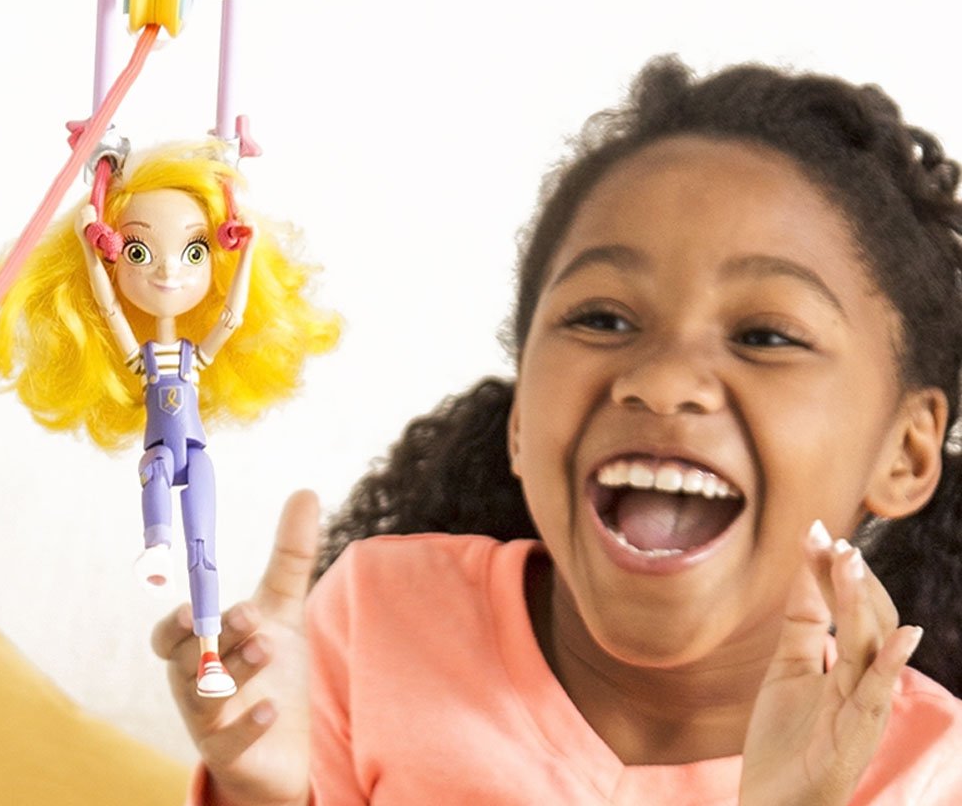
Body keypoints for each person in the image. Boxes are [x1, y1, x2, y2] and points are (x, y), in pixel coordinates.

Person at [155, 59, 962, 804]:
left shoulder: (928, 774)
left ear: (905, 452)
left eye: (766, 336)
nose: (661, 380)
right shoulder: (381, 623)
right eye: (603, 319)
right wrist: (260, 794)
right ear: (520, 419)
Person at [0, 140, 339, 698]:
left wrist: (247, 251)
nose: (170, 269)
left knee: (205, 550)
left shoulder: (195, 357)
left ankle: (210, 656)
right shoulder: (143, 358)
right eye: (139, 251)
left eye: (195, 252)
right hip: (162, 451)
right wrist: (87, 249)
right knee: (153, 472)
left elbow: (232, 316)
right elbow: (107, 307)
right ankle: (156, 546)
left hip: (195, 455)